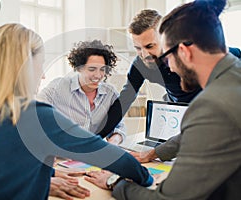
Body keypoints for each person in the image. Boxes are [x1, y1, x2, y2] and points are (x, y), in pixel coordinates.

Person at [0, 23, 154, 200]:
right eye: (39, 64)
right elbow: (113, 158)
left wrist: (48, 175)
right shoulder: (33, 115)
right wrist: (148, 180)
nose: (42, 75)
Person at [86, 0, 241, 199]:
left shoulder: (211, 105)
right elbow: (125, 99)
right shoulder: (229, 78)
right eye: (138, 48)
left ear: (184, 52)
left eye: (166, 55)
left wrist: (114, 181)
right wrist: (96, 138)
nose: (170, 68)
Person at [37, 40, 125, 145]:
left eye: (102, 69)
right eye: (92, 69)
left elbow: (119, 127)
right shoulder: (59, 86)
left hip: (93, 154)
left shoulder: (110, 94)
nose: (98, 75)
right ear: (79, 68)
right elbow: (35, 111)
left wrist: (113, 142)